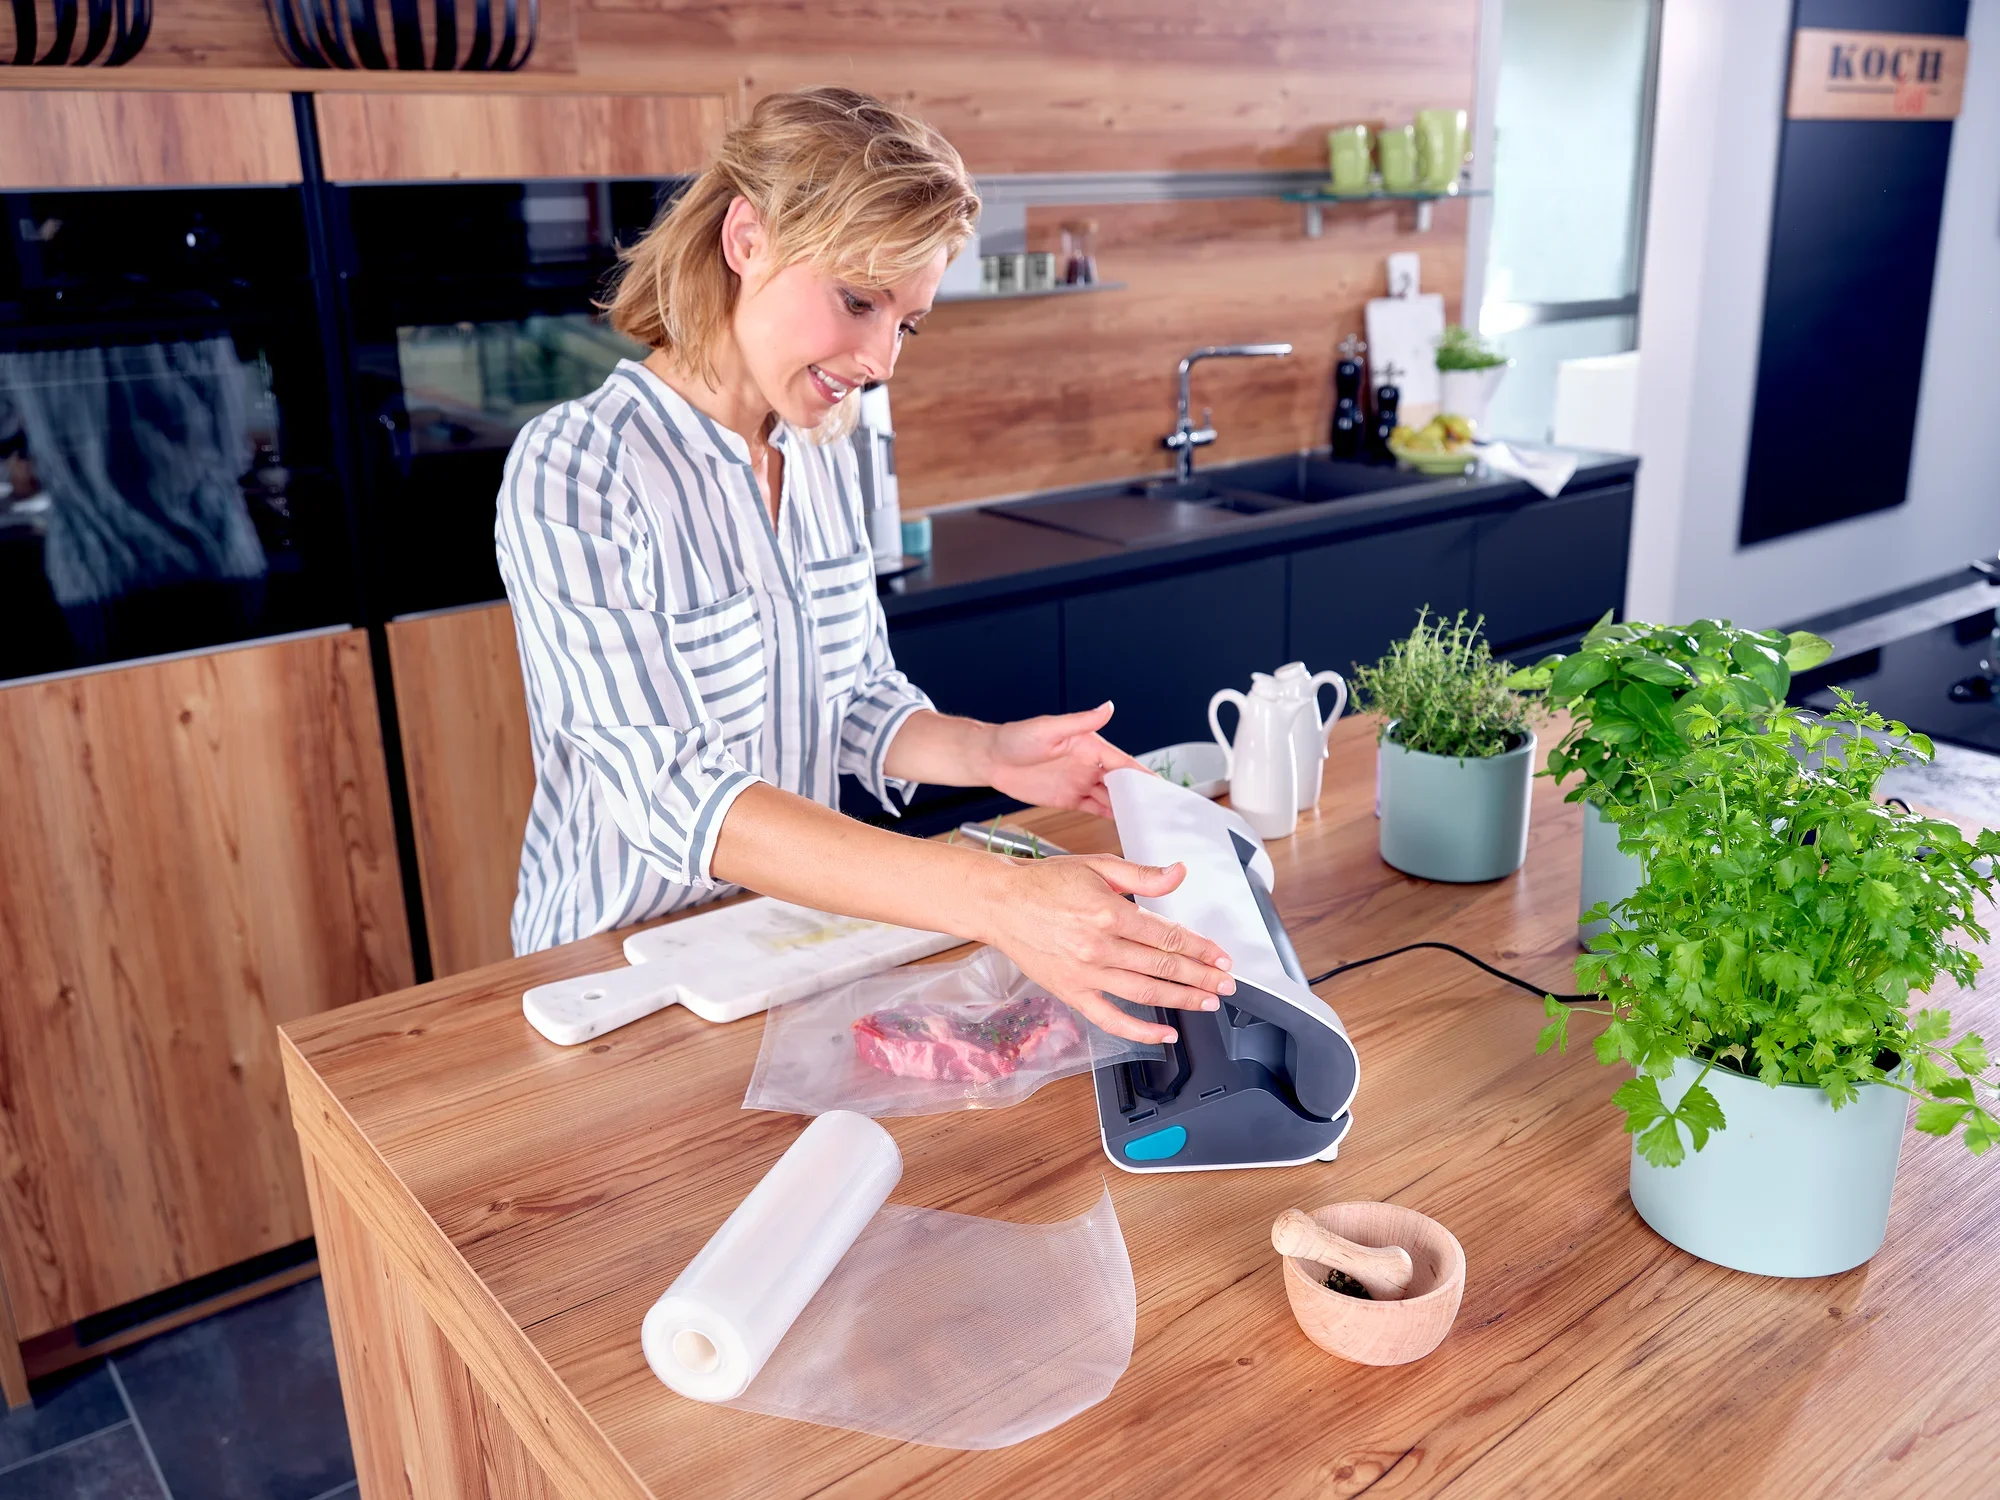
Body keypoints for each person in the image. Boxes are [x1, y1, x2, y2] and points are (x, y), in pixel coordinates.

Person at [496, 87, 1230, 1045]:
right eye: (858, 301)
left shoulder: (825, 444)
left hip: (778, 947)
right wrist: (994, 896)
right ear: (747, 239)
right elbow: (672, 795)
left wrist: (988, 753)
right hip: (611, 985)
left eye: (906, 322)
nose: (883, 358)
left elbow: (847, 696)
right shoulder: (580, 469)